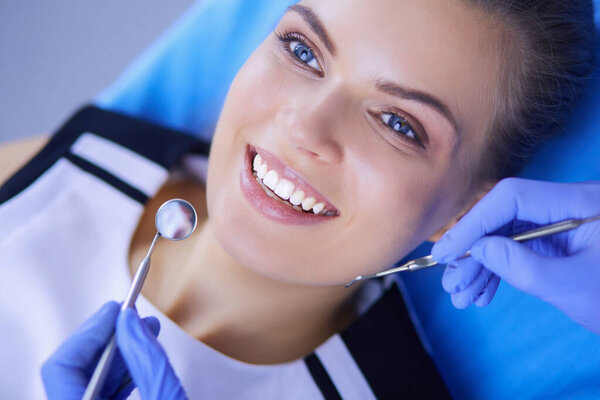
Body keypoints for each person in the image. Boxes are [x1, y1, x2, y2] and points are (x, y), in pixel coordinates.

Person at [0, 0, 596, 398]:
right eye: (303, 50)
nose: (306, 129)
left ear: (470, 212)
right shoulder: (79, 162)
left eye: (397, 123)